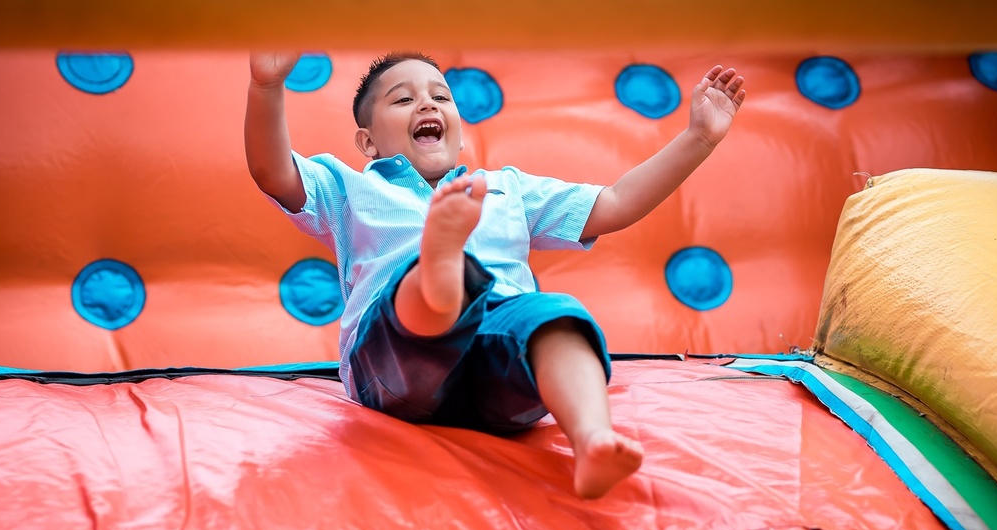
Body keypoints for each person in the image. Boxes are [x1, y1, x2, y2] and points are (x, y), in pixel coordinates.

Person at [245, 52, 745, 499]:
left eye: (440, 96)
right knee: (442, 282)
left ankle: (593, 439)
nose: (427, 104)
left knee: (556, 319)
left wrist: (698, 137)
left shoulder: (504, 190)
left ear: (459, 131)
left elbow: (614, 204)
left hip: (494, 370)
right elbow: (275, 173)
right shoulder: (348, 188)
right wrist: (266, 88)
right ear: (367, 140)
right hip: (396, 363)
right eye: (404, 100)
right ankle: (441, 263)